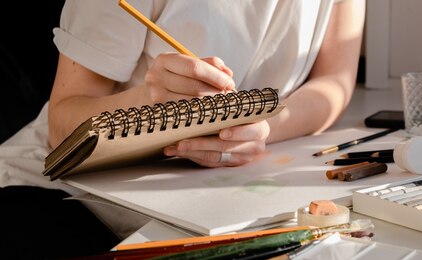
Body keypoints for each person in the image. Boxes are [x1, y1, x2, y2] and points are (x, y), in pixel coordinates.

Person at [0, 0, 365, 258]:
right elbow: (62, 127)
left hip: (211, 203)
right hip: (61, 192)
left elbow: (334, 82)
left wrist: (259, 125)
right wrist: (149, 101)